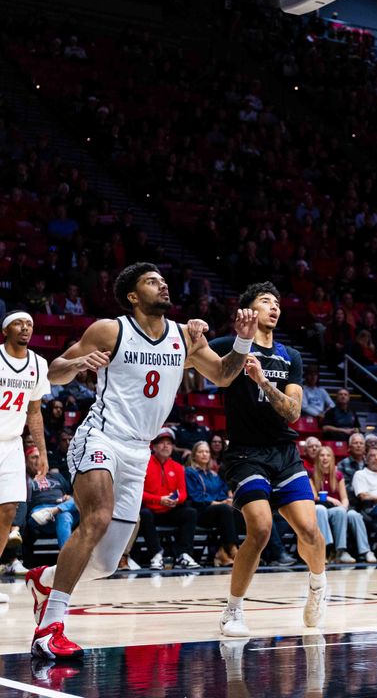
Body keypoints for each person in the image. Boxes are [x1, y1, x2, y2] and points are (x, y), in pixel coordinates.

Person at [28, 262, 255, 660]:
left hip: (139, 451)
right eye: (153, 281)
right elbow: (53, 371)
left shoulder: (185, 336)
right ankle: (49, 629)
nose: (163, 285)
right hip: (100, 436)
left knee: (106, 563)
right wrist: (80, 364)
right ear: (133, 296)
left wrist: (242, 340)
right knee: (97, 517)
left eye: (164, 280)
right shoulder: (109, 330)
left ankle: (44, 580)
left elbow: (222, 376)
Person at [210, 282, 326, 638]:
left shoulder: (289, 356)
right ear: (249, 310)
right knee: (260, 529)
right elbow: (193, 355)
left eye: (277, 302)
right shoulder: (230, 346)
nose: (274, 307)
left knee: (310, 531)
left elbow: (293, 412)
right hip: (245, 453)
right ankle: (232, 612)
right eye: (265, 302)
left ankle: (318, 588)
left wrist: (263, 381)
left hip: (284, 453)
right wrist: (193, 333)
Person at [0, 312, 52, 599]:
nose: (26, 329)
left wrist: (42, 452)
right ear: (6, 330)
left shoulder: (38, 364)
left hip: (12, 443)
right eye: (19, 323)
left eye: (30, 324)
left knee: (8, 509)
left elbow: (34, 412)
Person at [139, 428, 201, 570]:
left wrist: (175, 500)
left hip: (170, 509)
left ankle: (183, 554)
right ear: (153, 447)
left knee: (190, 512)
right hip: (151, 510)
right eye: (161, 443)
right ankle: (156, 555)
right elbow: (139, 493)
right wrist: (159, 499)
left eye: (169, 443)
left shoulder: (178, 467)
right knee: (144, 514)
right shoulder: (143, 465)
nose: (166, 446)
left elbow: (183, 493)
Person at [310, 445, 373, 564]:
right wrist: (329, 498)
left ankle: (340, 551)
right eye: (322, 455)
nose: (325, 458)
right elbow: (313, 497)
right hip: (318, 508)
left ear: (332, 458)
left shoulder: (338, 475)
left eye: (328, 455)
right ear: (318, 458)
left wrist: (344, 507)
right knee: (320, 509)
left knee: (340, 511)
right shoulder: (311, 474)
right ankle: (324, 550)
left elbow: (344, 498)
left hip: (334, 510)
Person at [184, 441, 239, 566]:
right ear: (194, 455)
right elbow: (195, 496)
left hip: (218, 511)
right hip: (199, 511)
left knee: (237, 510)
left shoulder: (213, 474)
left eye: (207, 452)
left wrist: (227, 500)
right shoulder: (189, 472)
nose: (204, 454)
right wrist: (216, 503)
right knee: (224, 509)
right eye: (201, 451)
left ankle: (222, 552)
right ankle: (232, 549)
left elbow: (222, 491)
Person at [24, 446, 78, 556]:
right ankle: (68, 559)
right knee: (65, 514)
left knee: (79, 501)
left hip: (60, 508)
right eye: (34, 457)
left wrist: (68, 497)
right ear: (26, 461)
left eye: (40, 457)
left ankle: (66, 558)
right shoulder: (24, 479)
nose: (38, 460)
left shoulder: (56, 476)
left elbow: (70, 493)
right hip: (39, 513)